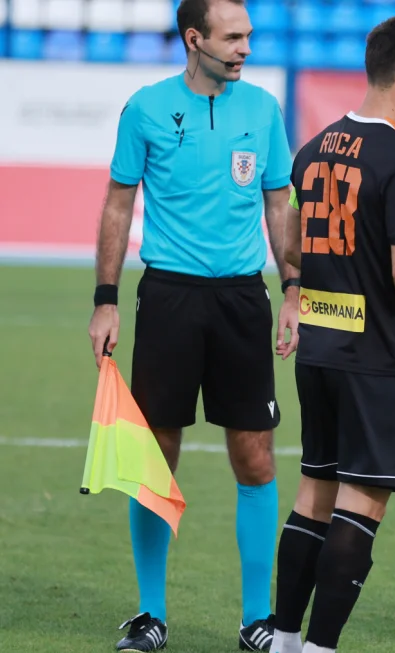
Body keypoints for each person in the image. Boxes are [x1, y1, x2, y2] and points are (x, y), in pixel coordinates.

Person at [86, 0, 296, 649]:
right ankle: (150, 614)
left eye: (248, 37)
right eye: (232, 38)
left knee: (255, 457)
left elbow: (279, 203)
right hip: (169, 298)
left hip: (242, 299)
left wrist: (293, 289)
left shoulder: (263, 108)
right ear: (194, 38)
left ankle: (257, 619)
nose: (245, 48)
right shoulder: (145, 108)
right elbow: (118, 203)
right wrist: (105, 298)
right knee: (156, 455)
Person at [267, 17, 395, 653]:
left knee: (313, 495)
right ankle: (320, 648)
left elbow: (292, 247)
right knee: (361, 504)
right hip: (375, 360)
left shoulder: (312, 150)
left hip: (320, 352)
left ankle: (285, 639)